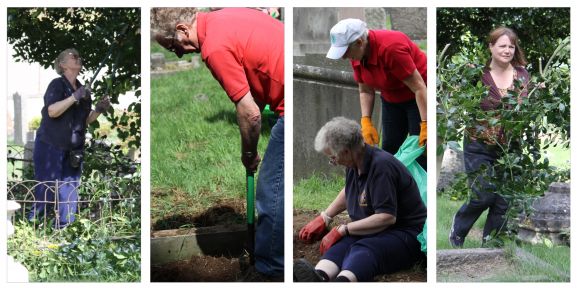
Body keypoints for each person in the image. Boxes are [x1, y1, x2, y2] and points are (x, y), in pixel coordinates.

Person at [152, 8, 284, 279]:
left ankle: (271, 272)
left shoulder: (213, 47)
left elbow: (250, 113)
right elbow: (254, 88)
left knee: (271, 192)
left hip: (292, 102)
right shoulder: (223, 17)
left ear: (182, 29)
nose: (177, 53)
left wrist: (248, 152)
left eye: (173, 46)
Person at [295, 117, 426, 282]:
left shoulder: (381, 167)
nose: (333, 162)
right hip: (378, 229)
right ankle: (319, 277)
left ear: (346, 151)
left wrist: (343, 229)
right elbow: (350, 190)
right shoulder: (355, 162)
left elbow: (386, 217)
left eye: (333, 158)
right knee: (341, 245)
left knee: (363, 248)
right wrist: (325, 216)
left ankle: (343, 281)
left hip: (405, 233)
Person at [449, 27, 530, 248]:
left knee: (503, 200)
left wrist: (537, 93)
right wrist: (459, 81)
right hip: (479, 142)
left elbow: (529, 105)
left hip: (511, 146)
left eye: (511, 46)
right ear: (491, 47)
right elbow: (454, 97)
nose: (507, 50)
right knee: (483, 194)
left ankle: (490, 245)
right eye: (502, 46)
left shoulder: (522, 75)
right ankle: (459, 228)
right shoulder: (477, 74)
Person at [326, 18, 428, 169]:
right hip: (391, 99)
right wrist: (366, 121)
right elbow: (366, 91)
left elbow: (419, 87)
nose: (343, 57)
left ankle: (419, 190)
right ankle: (391, 188)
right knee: (389, 150)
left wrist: (426, 124)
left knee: (419, 149)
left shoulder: (391, 48)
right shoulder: (356, 55)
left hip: (418, 97)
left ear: (360, 42)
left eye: (345, 51)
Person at [29, 48, 111, 228]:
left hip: (74, 150)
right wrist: (74, 97)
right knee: (47, 189)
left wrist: (98, 109)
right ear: (62, 64)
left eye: (79, 56)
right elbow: (52, 111)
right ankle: (32, 227)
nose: (78, 58)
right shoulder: (57, 85)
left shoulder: (84, 91)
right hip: (51, 145)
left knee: (70, 194)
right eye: (73, 56)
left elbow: (84, 121)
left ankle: (64, 232)